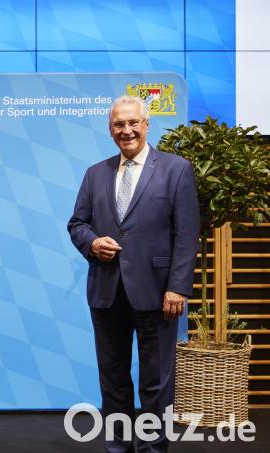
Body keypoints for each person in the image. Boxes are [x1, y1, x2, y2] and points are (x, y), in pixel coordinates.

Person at [68, 96, 199, 452]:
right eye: (118, 125)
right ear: (110, 129)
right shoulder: (95, 173)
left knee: (156, 382)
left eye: (132, 123)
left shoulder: (176, 169)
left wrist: (178, 288)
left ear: (146, 124)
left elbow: (186, 235)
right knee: (113, 380)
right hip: (107, 293)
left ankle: (153, 449)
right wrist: (93, 243)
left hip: (159, 295)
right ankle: (119, 447)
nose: (125, 131)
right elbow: (77, 223)